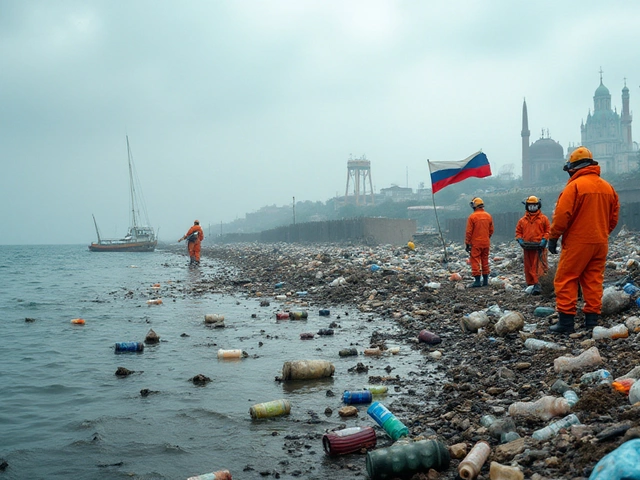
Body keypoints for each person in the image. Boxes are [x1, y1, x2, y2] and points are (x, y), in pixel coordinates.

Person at [548, 146, 619, 334]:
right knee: (593, 280)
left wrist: (553, 237)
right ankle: (591, 322)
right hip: (600, 242)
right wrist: (602, 232)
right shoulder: (608, 187)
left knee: (566, 278)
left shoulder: (574, 187)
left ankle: (566, 322)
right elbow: (613, 217)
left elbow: (562, 215)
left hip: (578, 242)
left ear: (573, 168)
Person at [515, 195, 550, 295]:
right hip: (527, 247)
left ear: (538, 205)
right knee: (528, 266)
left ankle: (539, 284)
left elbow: (548, 231)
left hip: (539, 247)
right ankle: (531, 284)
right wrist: (520, 240)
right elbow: (518, 232)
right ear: (527, 206)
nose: (532, 207)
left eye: (534, 205)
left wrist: (544, 239)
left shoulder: (543, 219)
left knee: (539, 266)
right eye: (530, 205)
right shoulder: (522, 220)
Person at [465, 197, 494, 287]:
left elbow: (469, 232)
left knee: (475, 260)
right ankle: (485, 281)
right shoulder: (488, 216)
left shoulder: (472, 217)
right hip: (486, 242)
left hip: (476, 243)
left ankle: (477, 281)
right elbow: (491, 230)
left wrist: (467, 243)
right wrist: (486, 238)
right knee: (485, 260)